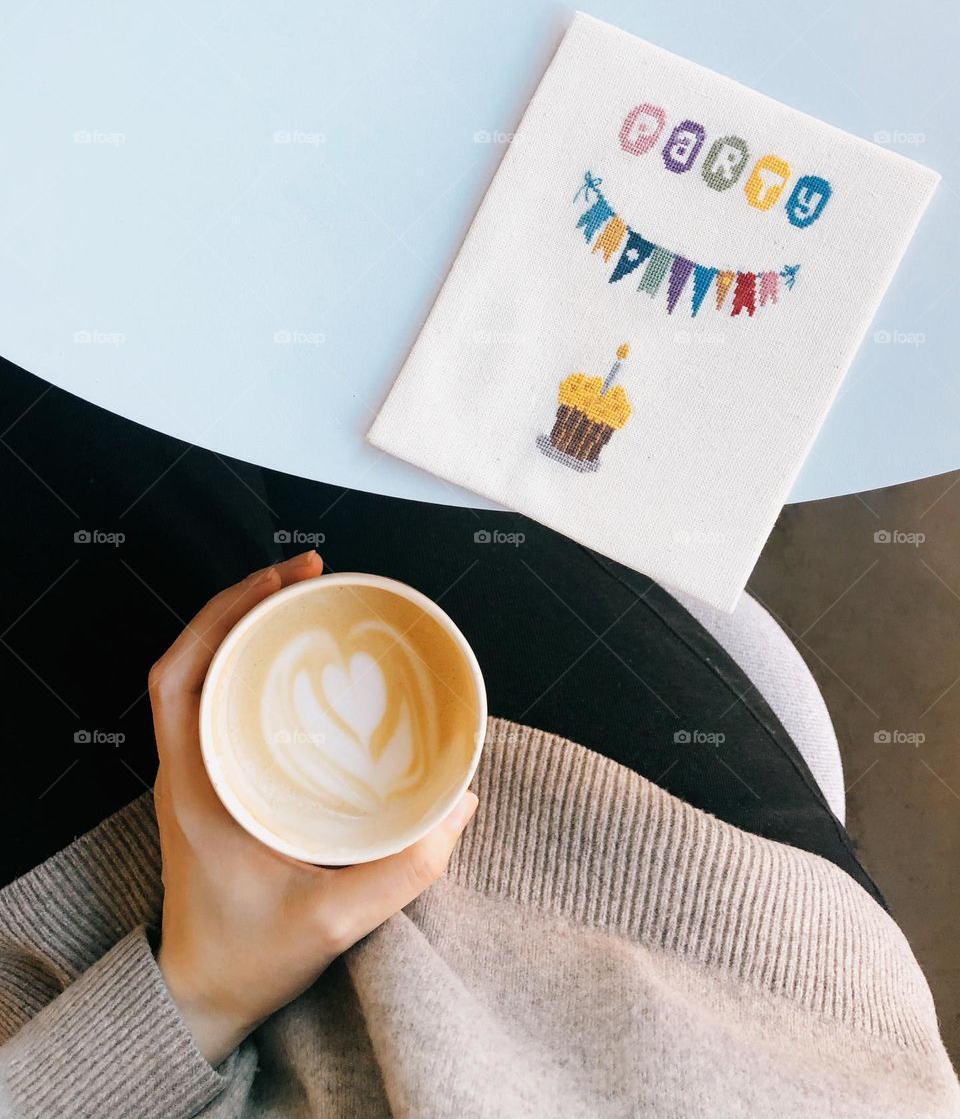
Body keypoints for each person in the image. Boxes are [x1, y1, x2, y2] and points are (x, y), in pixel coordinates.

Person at [0, 361, 957, 1117]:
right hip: (727, 958)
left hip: (129, 990)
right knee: (359, 380)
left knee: (60, 365)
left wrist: (199, 993)